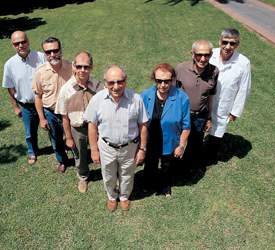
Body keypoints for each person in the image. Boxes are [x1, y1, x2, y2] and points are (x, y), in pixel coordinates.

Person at [83, 65, 148, 212]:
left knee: (127, 173)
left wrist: (142, 149)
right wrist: (94, 149)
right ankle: (112, 196)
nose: (116, 86)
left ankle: (124, 196)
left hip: (129, 147)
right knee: (108, 174)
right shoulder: (97, 100)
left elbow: (143, 125)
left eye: (120, 81)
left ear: (126, 81)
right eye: (111, 82)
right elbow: (92, 126)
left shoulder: (136, 99)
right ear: (105, 83)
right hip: (106, 147)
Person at [55, 51, 102, 192]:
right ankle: (83, 176)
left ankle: (107, 174)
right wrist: (68, 137)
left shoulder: (97, 86)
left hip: (97, 126)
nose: (82, 70)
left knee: (103, 150)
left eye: (86, 67)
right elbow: (64, 117)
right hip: (78, 128)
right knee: (80, 155)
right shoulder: (66, 90)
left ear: (91, 67)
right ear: (74, 66)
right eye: (79, 66)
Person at [141, 63, 190, 196]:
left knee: (167, 166)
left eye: (167, 81)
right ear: (154, 80)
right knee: (150, 164)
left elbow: (186, 126)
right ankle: (148, 183)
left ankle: (165, 186)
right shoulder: (145, 96)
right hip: (151, 139)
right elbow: (139, 121)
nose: (163, 85)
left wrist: (181, 145)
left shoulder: (182, 98)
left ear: (172, 80)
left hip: (170, 140)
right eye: (159, 81)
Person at [207, 28, 251, 163]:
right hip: (206, 99)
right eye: (225, 42)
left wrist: (235, 111)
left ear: (237, 44)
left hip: (225, 103)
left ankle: (210, 157)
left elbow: (244, 89)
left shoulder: (243, 63)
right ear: (219, 41)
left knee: (217, 130)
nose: (228, 47)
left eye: (232, 43)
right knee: (199, 126)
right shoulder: (210, 54)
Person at [2, 30, 45, 165]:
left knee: (53, 129)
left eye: (23, 42)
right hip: (26, 105)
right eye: (16, 43)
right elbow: (9, 87)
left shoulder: (41, 57)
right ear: (13, 45)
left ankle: (59, 152)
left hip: (45, 103)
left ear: (28, 41)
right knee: (29, 133)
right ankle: (32, 151)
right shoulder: (9, 64)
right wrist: (15, 107)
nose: (20, 45)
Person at [175, 40, 218, 173]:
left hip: (200, 115)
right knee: (176, 142)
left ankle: (186, 168)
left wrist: (209, 117)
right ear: (192, 54)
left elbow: (210, 96)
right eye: (199, 54)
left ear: (211, 55)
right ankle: (173, 168)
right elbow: (172, 93)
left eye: (207, 55)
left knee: (195, 143)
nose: (203, 58)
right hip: (181, 115)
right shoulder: (181, 69)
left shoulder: (214, 71)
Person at [32, 36, 72, 173]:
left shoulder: (72, 68)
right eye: (48, 52)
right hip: (51, 112)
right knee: (56, 139)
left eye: (55, 50)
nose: (52, 55)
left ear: (61, 50)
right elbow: (38, 96)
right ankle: (62, 160)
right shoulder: (40, 73)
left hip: (70, 111)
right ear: (44, 53)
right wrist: (42, 119)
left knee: (74, 137)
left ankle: (79, 160)